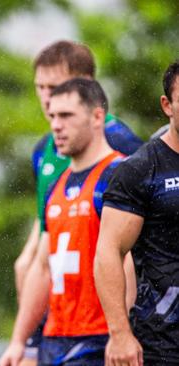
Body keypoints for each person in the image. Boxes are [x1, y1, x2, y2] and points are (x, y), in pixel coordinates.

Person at [13, 40, 143, 363]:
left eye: (55, 87)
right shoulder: (44, 149)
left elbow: (129, 242)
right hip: (60, 317)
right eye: (40, 87)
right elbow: (49, 222)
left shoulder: (119, 147)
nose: (46, 97)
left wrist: (123, 330)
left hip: (100, 319)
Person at [94, 60, 179, 366]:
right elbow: (109, 251)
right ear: (167, 105)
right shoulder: (140, 170)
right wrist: (119, 334)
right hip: (163, 341)